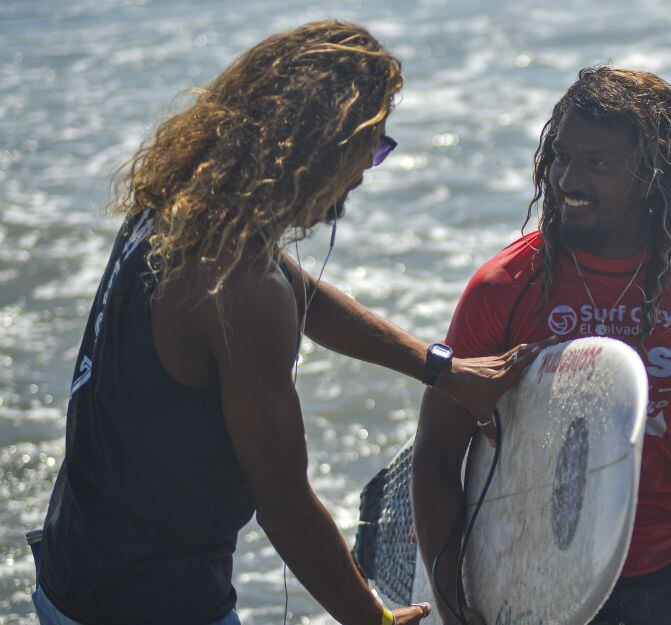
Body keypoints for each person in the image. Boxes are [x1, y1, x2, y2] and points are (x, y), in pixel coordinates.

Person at [30, 20, 545, 625]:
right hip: (151, 602)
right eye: (369, 147)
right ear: (319, 145)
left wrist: (441, 370)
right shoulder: (241, 288)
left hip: (72, 570)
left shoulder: (186, 208)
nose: (367, 170)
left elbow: (304, 296)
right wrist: (372, 619)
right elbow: (285, 506)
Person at [412, 67, 671, 625]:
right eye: (561, 156)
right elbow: (436, 458)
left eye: (597, 163)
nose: (567, 179)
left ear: (652, 174)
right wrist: (455, 608)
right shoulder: (505, 288)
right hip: (533, 577)